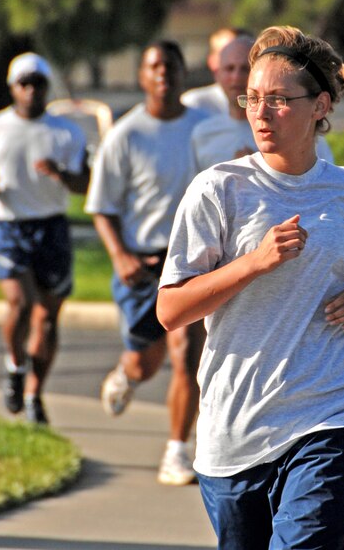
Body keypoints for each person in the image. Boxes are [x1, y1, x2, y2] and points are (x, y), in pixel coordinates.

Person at [157, 26, 344, 549]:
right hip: (236, 426)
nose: (260, 113)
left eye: (278, 100)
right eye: (252, 98)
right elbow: (171, 309)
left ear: (319, 106)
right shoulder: (219, 190)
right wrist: (253, 263)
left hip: (332, 410)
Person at [85, 40, 210, 485]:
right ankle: (127, 372)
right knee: (148, 360)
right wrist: (119, 255)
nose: (164, 73)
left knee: (187, 356)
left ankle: (177, 450)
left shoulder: (205, 128)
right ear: (141, 76)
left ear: (183, 72)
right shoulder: (126, 134)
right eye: (154, 66)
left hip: (195, 262)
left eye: (172, 66)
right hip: (143, 264)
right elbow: (101, 206)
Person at [0, 52, 88, 425]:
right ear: (12, 87)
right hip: (8, 225)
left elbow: (85, 182)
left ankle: (34, 394)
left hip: (50, 227)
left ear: (47, 87)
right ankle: (15, 366)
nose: (31, 90)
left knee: (47, 319)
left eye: (38, 83)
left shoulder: (66, 131)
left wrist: (61, 174)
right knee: (19, 303)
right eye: (23, 83)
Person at [191, 35, 336, 171]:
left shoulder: (306, 138)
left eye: (278, 99)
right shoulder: (203, 137)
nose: (236, 77)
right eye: (229, 68)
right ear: (217, 73)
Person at [181, 26, 251, 116]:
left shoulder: (268, 107)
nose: (237, 76)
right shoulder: (194, 104)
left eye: (245, 67)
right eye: (230, 67)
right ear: (212, 61)